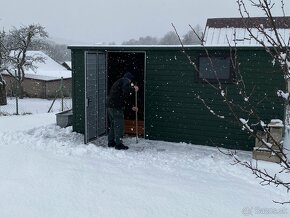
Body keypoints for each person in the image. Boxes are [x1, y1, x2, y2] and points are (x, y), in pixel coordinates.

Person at [107, 72, 139, 150]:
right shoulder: (125, 81)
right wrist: (133, 88)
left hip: (110, 106)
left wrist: (131, 107)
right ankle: (119, 144)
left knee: (113, 124)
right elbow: (126, 90)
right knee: (119, 125)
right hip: (116, 107)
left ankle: (111, 142)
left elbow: (123, 98)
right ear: (129, 79)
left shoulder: (119, 82)